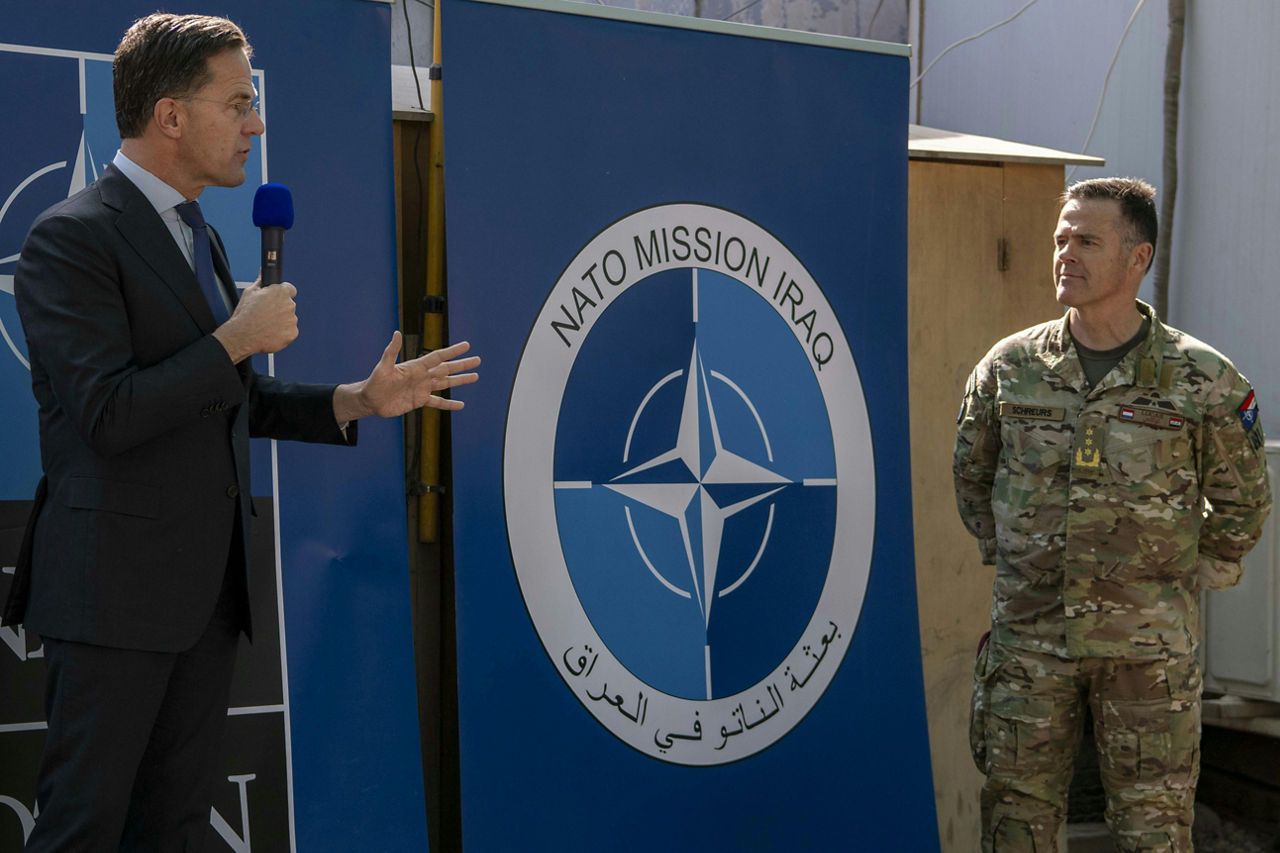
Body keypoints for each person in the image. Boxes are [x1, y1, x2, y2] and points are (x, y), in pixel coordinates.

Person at [0, 13, 480, 851]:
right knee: (82, 828)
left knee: (176, 829)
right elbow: (107, 414)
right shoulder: (68, 239)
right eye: (239, 103)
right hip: (114, 600)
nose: (256, 123)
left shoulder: (200, 237)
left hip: (206, 600)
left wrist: (359, 400)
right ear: (171, 117)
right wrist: (232, 339)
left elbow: (232, 400)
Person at [954, 176, 1271, 852]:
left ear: (1138, 258)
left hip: (1147, 655)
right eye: (1060, 239)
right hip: (1030, 646)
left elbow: (1245, 499)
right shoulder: (1011, 369)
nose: (1065, 253)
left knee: (1152, 831)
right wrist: (1020, 560)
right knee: (1015, 822)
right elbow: (972, 478)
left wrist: (1179, 578)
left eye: (1087, 240)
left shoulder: (1200, 379)